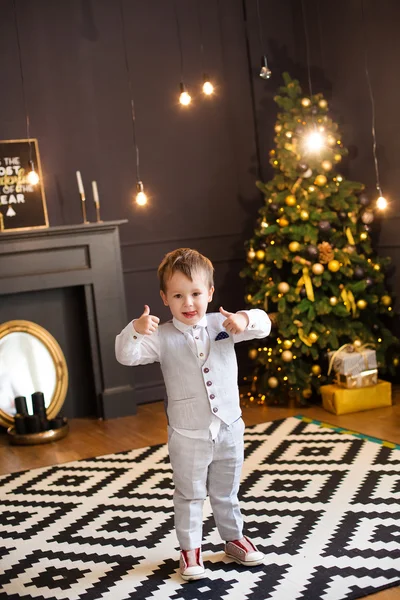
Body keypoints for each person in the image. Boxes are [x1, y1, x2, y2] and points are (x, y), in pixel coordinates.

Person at [115, 248, 271, 581]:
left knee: (227, 491)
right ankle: (190, 551)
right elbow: (125, 355)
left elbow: (264, 325)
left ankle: (233, 538)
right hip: (188, 434)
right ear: (165, 298)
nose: (189, 303)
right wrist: (136, 329)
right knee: (190, 494)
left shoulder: (224, 324)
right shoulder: (160, 337)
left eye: (196, 294)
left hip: (229, 426)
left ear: (210, 292)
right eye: (178, 295)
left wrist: (245, 318)